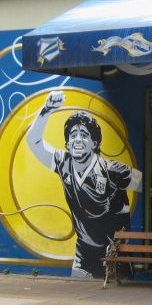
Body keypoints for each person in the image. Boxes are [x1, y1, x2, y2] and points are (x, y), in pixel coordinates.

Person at [27, 91, 143, 279]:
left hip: (113, 252)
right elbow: (35, 142)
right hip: (84, 252)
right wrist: (47, 109)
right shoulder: (63, 163)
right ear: (67, 143)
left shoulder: (112, 169)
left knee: (118, 293)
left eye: (83, 135)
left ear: (94, 142)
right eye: (73, 135)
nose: (77, 139)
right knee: (76, 291)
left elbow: (145, 184)